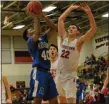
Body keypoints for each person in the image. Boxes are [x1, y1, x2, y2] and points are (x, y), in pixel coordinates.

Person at [57, 3, 96, 103]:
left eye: (73, 28)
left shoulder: (78, 42)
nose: (70, 28)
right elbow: (60, 19)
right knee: (61, 101)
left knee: (71, 101)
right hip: (59, 74)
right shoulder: (63, 38)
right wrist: (70, 8)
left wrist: (89, 13)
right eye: (69, 27)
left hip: (70, 76)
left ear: (77, 32)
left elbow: (93, 30)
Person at [22, 3, 58, 104]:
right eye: (30, 30)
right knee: (37, 99)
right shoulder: (30, 41)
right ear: (28, 35)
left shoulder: (43, 38)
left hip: (47, 72)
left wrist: (43, 16)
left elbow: (54, 28)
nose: (32, 29)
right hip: (38, 72)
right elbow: (37, 33)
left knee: (54, 100)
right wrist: (36, 17)